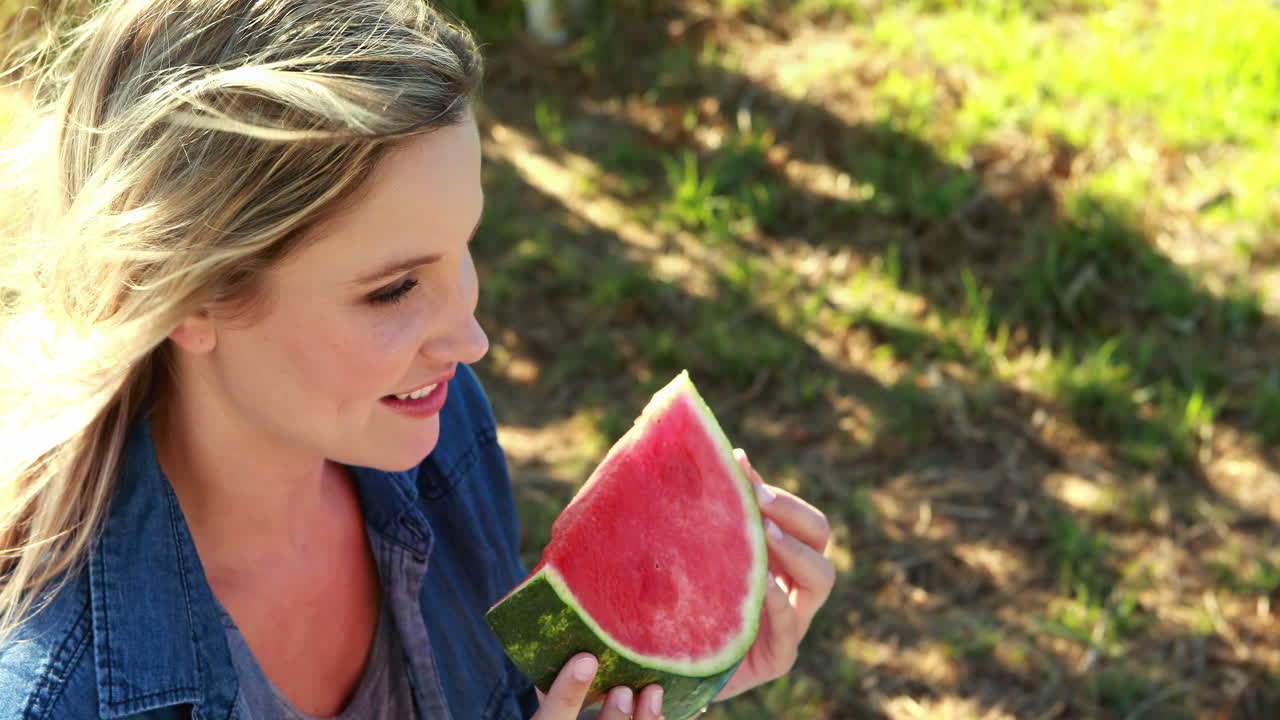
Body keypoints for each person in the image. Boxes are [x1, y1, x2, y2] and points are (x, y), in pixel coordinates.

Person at [0, 1, 836, 718]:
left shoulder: (435, 427)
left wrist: (652, 675)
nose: (471, 342)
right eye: (395, 288)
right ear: (190, 293)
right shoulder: (53, 691)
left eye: (462, 247)